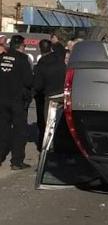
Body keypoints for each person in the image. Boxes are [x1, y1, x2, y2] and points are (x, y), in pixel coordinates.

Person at [0, 35, 33, 170]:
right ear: (21, 46)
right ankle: (17, 161)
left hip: (2, 98)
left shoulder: (2, 57)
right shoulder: (22, 59)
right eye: (24, 46)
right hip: (17, 100)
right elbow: (28, 81)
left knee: (2, 129)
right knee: (19, 131)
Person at [32, 39, 66, 151]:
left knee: (49, 124)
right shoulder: (59, 58)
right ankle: (62, 145)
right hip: (64, 94)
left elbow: (38, 85)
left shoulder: (41, 65)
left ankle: (49, 148)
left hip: (51, 97)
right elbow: (61, 49)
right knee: (63, 122)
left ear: (40, 49)